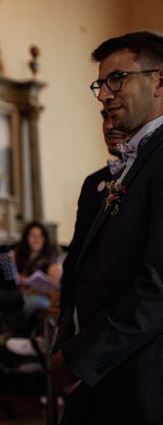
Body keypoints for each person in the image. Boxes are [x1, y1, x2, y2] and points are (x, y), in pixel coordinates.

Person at [51, 31, 163, 425]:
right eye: (101, 84)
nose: (104, 95)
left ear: (159, 80)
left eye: (118, 79)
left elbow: (157, 288)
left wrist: (80, 359)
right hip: (103, 380)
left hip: (140, 383)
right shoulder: (132, 162)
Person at [57, 110, 128, 321]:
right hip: (86, 313)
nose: (108, 126)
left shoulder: (152, 172)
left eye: (115, 115)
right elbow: (77, 251)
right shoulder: (93, 182)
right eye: (104, 117)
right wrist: (65, 316)